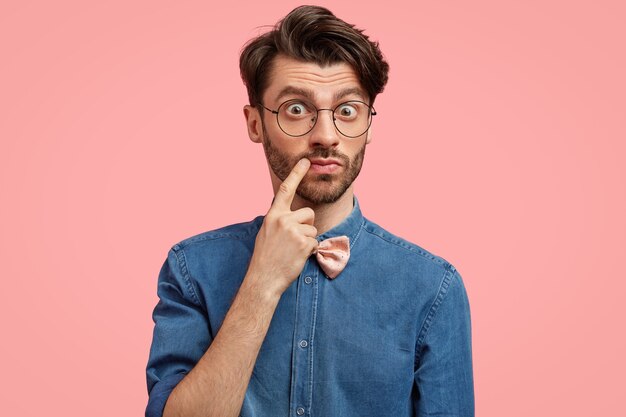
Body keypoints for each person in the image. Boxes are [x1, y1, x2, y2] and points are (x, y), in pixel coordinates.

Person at [145, 5, 474, 417]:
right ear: (255, 124)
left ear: (369, 126)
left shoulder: (433, 288)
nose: (326, 135)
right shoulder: (191, 269)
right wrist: (261, 285)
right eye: (296, 109)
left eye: (347, 111)